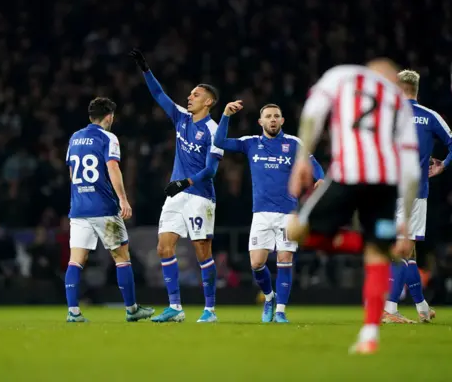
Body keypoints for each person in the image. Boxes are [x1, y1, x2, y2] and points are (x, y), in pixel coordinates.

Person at [285, 59, 421, 354]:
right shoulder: (398, 100)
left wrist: (301, 159)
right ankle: (369, 334)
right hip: (385, 183)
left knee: (294, 229)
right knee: (377, 254)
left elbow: (312, 113)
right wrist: (405, 222)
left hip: (347, 174)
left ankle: (370, 332)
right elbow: (411, 168)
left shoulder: (342, 75)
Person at [129, 49, 223, 323]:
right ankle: (175, 308)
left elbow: (211, 170)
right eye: (190, 94)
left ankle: (210, 310)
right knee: (163, 247)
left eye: (195, 95)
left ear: (209, 101)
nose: (189, 97)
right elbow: (159, 95)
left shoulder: (214, 130)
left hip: (199, 197)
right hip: (176, 195)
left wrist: (185, 182)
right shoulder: (181, 117)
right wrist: (146, 69)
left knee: (202, 252)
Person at [214, 102, 325, 323]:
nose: (273, 119)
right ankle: (269, 297)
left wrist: (320, 177)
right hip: (261, 214)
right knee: (256, 263)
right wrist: (226, 115)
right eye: (268, 116)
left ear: (282, 120)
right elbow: (219, 142)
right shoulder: (251, 143)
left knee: (285, 258)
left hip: (288, 213)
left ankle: (281, 311)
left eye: (276, 116)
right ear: (261, 122)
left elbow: (314, 164)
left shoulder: (294, 143)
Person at [64, 97, 154, 322]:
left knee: (76, 260)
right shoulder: (108, 137)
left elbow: (71, 172)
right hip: (104, 207)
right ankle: (132, 310)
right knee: (121, 257)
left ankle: (73, 312)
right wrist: (123, 199)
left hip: (79, 208)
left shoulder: (75, 138)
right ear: (109, 116)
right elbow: (113, 167)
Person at [383, 70, 451, 323]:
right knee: (403, 249)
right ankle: (389, 309)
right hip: (415, 193)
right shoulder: (429, 116)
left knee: (406, 251)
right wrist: (443, 164)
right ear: (417, 89)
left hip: (388, 190)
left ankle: (422, 307)